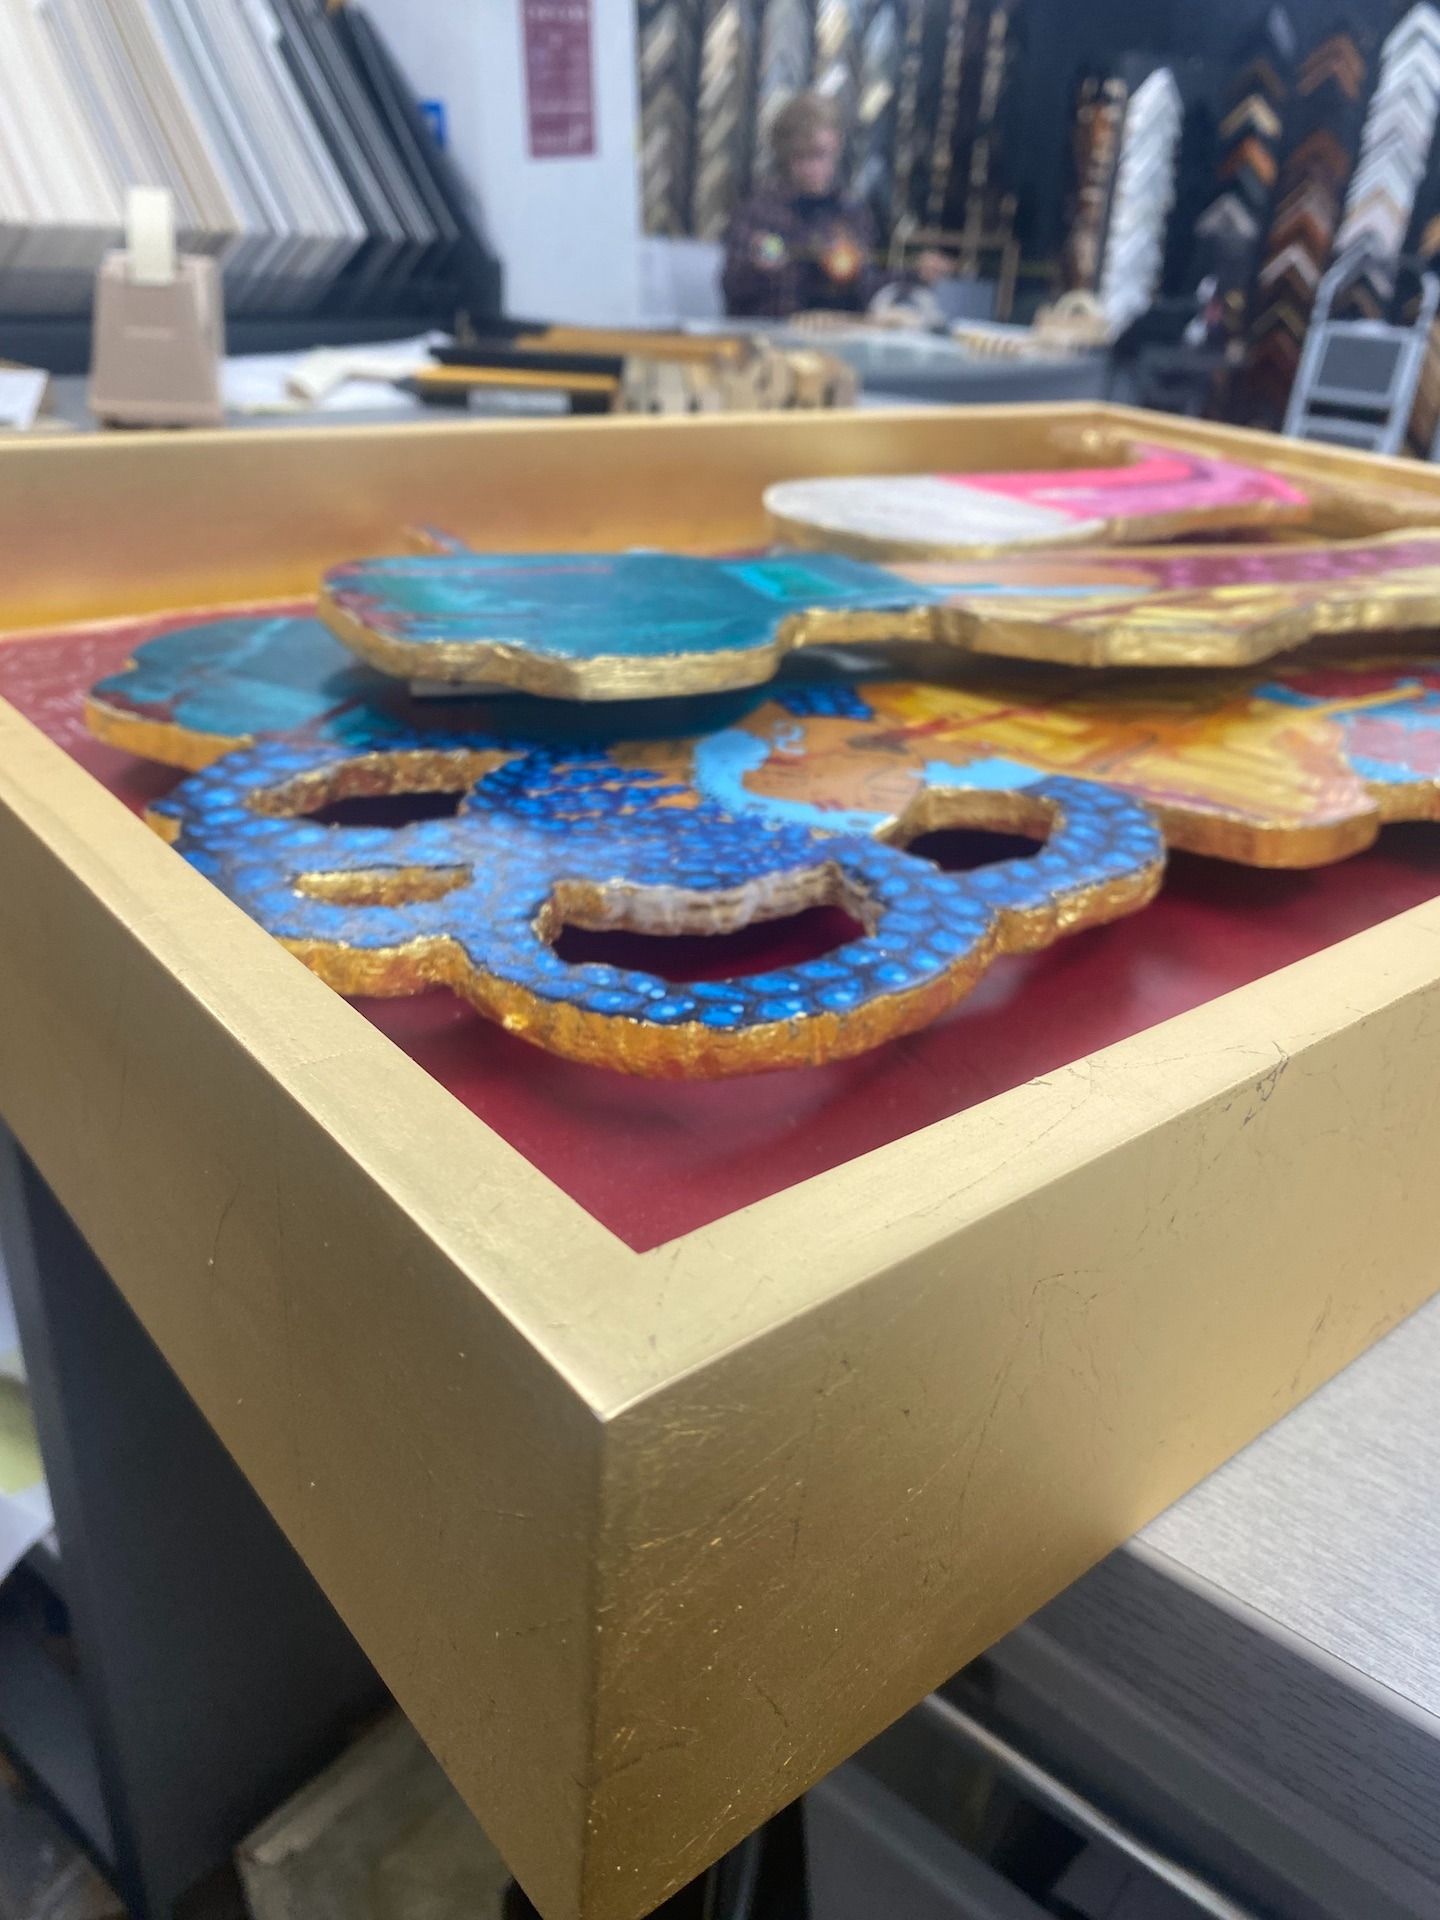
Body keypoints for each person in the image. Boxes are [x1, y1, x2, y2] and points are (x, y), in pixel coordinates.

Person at [722, 93, 949, 320]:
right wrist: (757, 268)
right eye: (801, 156)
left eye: (820, 155)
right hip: (771, 340)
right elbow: (730, 289)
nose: (812, 167)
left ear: (836, 148)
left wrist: (915, 273)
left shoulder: (852, 213)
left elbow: (866, 288)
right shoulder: (758, 211)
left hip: (836, 341)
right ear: (785, 155)